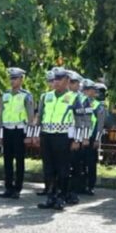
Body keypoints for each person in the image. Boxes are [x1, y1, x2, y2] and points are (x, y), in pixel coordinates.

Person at [36, 68, 79, 210]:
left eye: (59, 79)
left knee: (63, 169)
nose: (56, 82)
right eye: (55, 79)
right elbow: (39, 117)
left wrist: (76, 140)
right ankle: (51, 197)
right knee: (48, 168)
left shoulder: (74, 97)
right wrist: (36, 134)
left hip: (63, 137)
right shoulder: (46, 96)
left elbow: (81, 121)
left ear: (67, 81)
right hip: (47, 135)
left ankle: (61, 197)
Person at [0, 67, 35, 199]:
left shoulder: (26, 95)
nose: (12, 81)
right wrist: (0, 135)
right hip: (7, 130)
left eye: (15, 78)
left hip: (20, 131)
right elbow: (1, 115)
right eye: (11, 78)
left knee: (19, 161)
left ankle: (17, 189)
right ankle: (8, 188)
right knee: (7, 160)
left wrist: (29, 135)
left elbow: (30, 117)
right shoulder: (5, 95)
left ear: (21, 80)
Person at [65, 71, 91, 205]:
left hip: (77, 136)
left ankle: (73, 193)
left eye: (74, 82)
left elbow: (86, 120)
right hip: (64, 135)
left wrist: (84, 137)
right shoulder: (64, 96)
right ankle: (62, 191)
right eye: (69, 82)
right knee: (64, 166)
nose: (71, 85)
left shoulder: (83, 99)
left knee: (76, 166)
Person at [82, 81, 108, 196]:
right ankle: (80, 185)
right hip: (79, 137)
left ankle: (90, 186)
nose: (86, 92)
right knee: (79, 162)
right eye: (85, 89)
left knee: (90, 163)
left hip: (91, 138)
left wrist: (97, 139)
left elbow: (100, 124)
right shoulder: (79, 103)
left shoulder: (98, 106)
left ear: (94, 92)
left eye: (89, 90)